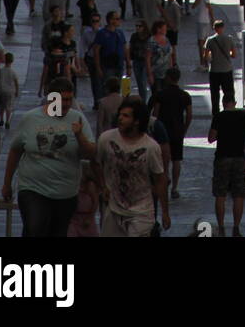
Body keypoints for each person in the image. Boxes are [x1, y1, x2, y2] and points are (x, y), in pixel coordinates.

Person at [3, 77, 96, 237]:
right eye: (62, 100)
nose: (66, 104)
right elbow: (15, 151)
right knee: (35, 227)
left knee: (57, 232)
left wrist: (79, 136)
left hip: (65, 192)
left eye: (69, 99)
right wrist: (7, 183)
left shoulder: (77, 119)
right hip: (33, 188)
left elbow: (91, 153)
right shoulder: (30, 118)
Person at [97, 97, 169, 238]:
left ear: (137, 121)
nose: (120, 119)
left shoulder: (150, 147)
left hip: (141, 213)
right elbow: (96, 163)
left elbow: (160, 180)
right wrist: (103, 186)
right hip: (114, 210)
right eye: (120, 114)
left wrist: (165, 212)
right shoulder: (106, 139)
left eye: (126, 116)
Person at [208, 94, 245, 236]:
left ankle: (221, 226)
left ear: (223, 103)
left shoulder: (219, 117)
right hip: (239, 157)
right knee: (238, 194)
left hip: (222, 157)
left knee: (220, 194)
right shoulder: (243, 116)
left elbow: (211, 138)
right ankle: (236, 226)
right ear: (235, 102)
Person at [152, 67, 192, 199]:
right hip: (177, 130)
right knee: (176, 160)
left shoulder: (161, 94)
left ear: (168, 78)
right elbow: (189, 115)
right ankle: (175, 187)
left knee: (163, 159)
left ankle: (164, 181)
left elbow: (155, 114)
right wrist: (184, 129)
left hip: (163, 130)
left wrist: (154, 128)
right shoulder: (185, 95)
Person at [204, 18, 237, 120]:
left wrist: (211, 58)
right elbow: (234, 54)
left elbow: (206, 56)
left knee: (215, 93)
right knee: (229, 92)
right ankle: (230, 110)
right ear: (223, 27)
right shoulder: (229, 38)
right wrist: (228, 54)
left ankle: (216, 114)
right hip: (226, 69)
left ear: (214, 28)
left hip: (214, 70)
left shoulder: (210, 40)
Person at [92, 11, 129, 89]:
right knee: (108, 87)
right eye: (117, 19)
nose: (119, 21)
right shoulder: (102, 33)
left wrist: (128, 65)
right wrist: (98, 67)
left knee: (118, 87)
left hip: (119, 64)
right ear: (111, 20)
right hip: (107, 65)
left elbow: (125, 48)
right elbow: (96, 51)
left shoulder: (120, 33)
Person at [67, 161, 100, 238]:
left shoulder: (90, 185)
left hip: (87, 217)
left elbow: (95, 202)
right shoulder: (72, 183)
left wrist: (90, 217)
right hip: (74, 218)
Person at [146, 18, 175, 96]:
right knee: (157, 95)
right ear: (158, 29)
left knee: (166, 95)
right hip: (156, 73)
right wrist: (149, 74)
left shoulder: (167, 40)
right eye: (164, 28)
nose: (166, 30)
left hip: (166, 73)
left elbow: (170, 55)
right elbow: (148, 58)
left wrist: (171, 70)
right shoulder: (151, 41)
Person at [192, 0, 214, 70]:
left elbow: (210, 9)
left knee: (202, 43)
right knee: (200, 43)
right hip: (200, 21)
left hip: (204, 22)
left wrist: (212, 20)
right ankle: (204, 62)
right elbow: (193, 6)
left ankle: (204, 63)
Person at [0, 52, 20, 130]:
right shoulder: (12, 72)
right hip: (10, 92)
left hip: (2, 91)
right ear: (12, 61)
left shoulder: (1, 71)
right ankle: (7, 121)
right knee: (9, 107)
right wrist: (17, 91)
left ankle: (1, 119)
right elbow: (16, 82)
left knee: (2, 106)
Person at [130, 21, 151, 102]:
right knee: (139, 82)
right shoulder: (134, 36)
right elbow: (131, 47)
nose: (137, 27)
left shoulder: (149, 37)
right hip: (136, 61)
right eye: (136, 26)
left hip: (145, 62)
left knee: (143, 82)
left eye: (140, 26)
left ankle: (143, 101)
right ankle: (142, 99)